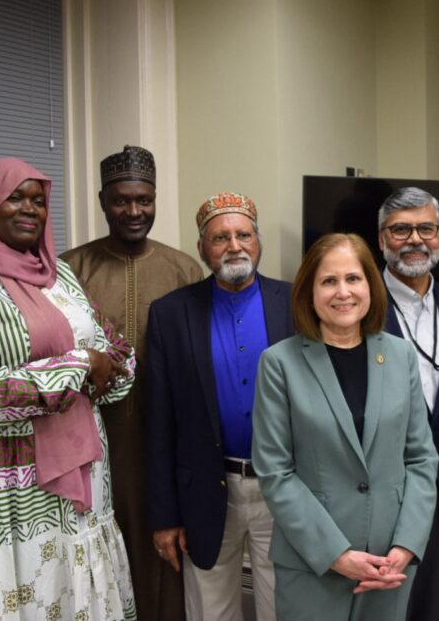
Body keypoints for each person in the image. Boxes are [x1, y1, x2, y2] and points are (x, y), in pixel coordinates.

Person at [0, 157, 137, 619]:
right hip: (1, 485)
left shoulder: (59, 275)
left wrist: (102, 367)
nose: (30, 208)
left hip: (84, 473)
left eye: (38, 200)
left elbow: (114, 351)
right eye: (15, 197)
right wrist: (77, 366)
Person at [252, 233, 439, 621]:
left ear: (371, 285)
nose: (343, 292)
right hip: (313, 565)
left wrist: (405, 547)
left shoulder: (400, 354)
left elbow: (421, 458)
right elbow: (275, 472)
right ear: (309, 290)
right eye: (328, 281)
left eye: (353, 278)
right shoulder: (279, 363)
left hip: (389, 565)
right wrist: (336, 554)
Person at [62, 144, 202, 619]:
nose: (134, 210)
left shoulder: (184, 269)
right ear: (102, 201)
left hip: (164, 437)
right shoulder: (69, 269)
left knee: (164, 545)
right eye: (122, 200)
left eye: (144, 199)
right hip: (91, 441)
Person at [146, 191, 292, 621]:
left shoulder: (297, 303)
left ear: (258, 241)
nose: (234, 246)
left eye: (244, 234)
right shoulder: (170, 314)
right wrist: (164, 516)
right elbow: (159, 422)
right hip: (207, 488)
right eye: (220, 237)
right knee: (211, 610)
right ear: (201, 249)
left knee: (283, 607)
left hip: (282, 487)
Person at [376, 187, 439, 621]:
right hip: (381, 496)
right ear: (381, 238)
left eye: (426, 228)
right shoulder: (359, 307)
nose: (415, 239)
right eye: (400, 229)